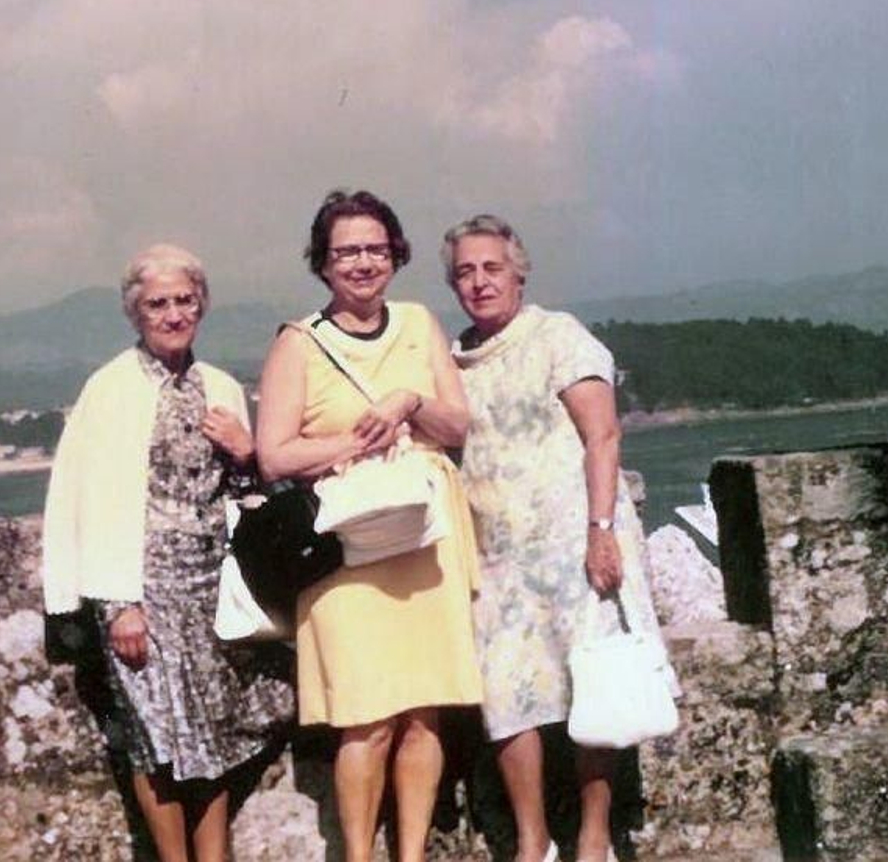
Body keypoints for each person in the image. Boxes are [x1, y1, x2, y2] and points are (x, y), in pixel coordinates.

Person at [41, 244, 293, 862]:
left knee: (212, 730)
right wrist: (120, 604)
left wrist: (246, 452)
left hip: (209, 587)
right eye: (159, 303)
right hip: (141, 589)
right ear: (135, 313)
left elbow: (247, 500)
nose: (175, 314)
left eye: (185, 300)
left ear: (201, 305)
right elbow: (90, 497)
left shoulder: (223, 386)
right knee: (153, 733)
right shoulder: (111, 389)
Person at [256, 190, 483, 862]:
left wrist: (408, 400)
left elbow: (459, 425)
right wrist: (357, 442)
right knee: (365, 720)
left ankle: (409, 855)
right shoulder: (299, 344)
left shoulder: (418, 324)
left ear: (396, 255)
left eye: (375, 249)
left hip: (426, 535)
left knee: (424, 711)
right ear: (323, 264)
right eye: (346, 251)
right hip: (348, 544)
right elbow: (275, 454)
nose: (362, 263)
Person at [443, 214, 671, 862]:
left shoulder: (558, 336)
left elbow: (602, 435)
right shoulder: (453, 362)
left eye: (492, 267)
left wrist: (601, 532)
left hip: (575, 539)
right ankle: (532, 840)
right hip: (499, 554)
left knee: (592, 686)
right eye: (465, 271)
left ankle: (595, 836)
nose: (480, 281)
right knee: (509, 698)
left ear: (519, 271)